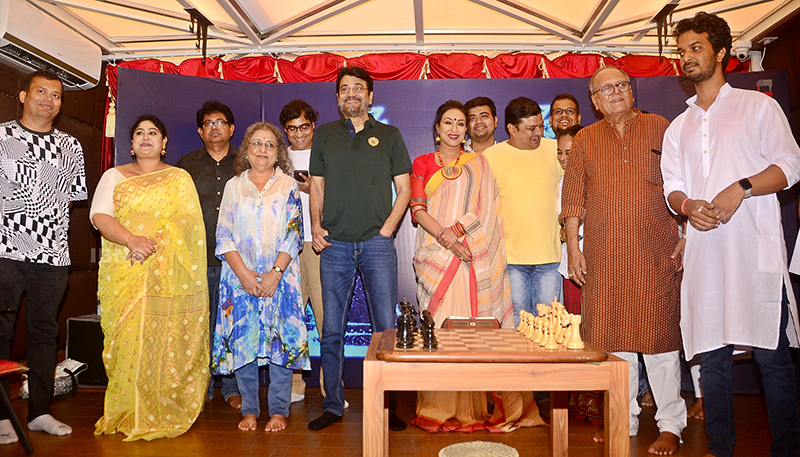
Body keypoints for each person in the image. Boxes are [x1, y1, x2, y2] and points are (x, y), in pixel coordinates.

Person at [662, 12, 800, 457]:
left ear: (721, 52)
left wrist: (742, 187)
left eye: (696, 48)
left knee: (772, 358)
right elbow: (671, 187)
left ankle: (787, 449)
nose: (687, 57)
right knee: (713, 360)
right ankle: (720, 449)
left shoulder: (758, 107)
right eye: (681, 51)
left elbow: (790, 166)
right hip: (705, 256)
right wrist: (687, 206)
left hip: (754, 252)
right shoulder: (678, 126)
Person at [561, 66, 686, 455]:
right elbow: (573, 200)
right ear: (594, 101)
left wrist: (686, 235)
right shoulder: (585, 139)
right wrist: (574, 248)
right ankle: (623, 418)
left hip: (656, 253)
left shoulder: (660, 127)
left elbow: (683, 184)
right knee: (614, 341)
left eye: (621, 85)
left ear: (631, 91)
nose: (616, 92)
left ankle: (671, 425)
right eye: (606, 89)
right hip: (604, 256)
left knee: (660, 339)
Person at [410, 100, 541, 432]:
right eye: (448, 122)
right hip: (436, 254)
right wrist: (447, 239)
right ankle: (439, 407)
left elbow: (484, 209)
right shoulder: (423, 163)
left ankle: (473, 409)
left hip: (471, 255)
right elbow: (418, 209)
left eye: (460, 123)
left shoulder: (479, 163)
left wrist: (459, 235)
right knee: (440, 328)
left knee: (470, 332)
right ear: (437, 128)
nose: (454, 129)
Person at [307, 66, 412, 432]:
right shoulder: (324, 135)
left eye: (358, 88)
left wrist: (387, 230)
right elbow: (316, 186)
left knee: (385, 329)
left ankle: (387, 406)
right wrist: (316, 226)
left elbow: (405, 189)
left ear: (370, 96)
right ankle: (333, 405)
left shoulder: (390, 135)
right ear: (338, 97)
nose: (351, 93)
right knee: (331, 330)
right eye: (344, 89)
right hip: (334, 245)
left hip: (376, 244)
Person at [92, 114, 208, 441]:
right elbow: (99, 216)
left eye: (153, 132)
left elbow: (189, 223)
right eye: (139, 133)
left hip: (167, 273)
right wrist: (131, 240)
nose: (146, 138)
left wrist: (154, 242)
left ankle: (159, 407)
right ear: (131, 143)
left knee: (164, 339)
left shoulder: (179, 178)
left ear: (164, 142)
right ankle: (127, 409)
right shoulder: (114, 176)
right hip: (124, 269)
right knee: (125, 341)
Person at [0, 69, 86, 444]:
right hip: (4, 252)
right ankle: (1, 416)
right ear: (23, 96)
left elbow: (72, 198)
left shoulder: (71, 146)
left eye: (56, 95)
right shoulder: (2, 137)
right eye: (41, 92)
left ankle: (39, 411)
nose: (49, 100)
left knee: (44, 334)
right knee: (1, 332)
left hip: (52, 256)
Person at [212, 122, 310, 432]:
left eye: (270, 144)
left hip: (280, 277)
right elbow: (223, 234)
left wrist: (275, 274)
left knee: (281, 341)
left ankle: (279, 410)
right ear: (246, 149)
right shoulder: (234, 186)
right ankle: (250, 410)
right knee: (244, 342)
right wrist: (243, 275)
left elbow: (294, 234)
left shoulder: (288, 186)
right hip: (239, 278)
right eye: (256, 143)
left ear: (278, 152)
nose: (263, 149)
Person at [176, 100, 241, 410]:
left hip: (235, 261)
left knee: (231, 324)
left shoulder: (245, 163)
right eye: (208, 123)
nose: (215, 128)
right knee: (199, 325)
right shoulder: (186, 165)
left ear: (231, 128)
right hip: (196, 259)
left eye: (221, 122)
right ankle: (200, 386)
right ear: (201, 131)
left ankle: (231, 387)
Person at [484, 97, 563, 327]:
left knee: (550, 325)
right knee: (516, 324)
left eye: (541, 126)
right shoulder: (491, 157)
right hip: (510, 260)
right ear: (512, 129)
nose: (539, 133)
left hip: (550, 257)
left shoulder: (555, 149)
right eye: (531, 128)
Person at [279, 99, 326, 405]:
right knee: (291, 317)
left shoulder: (327, 153)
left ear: (313, 125)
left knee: (326, 317)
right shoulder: (277, 157)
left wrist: (314, 190)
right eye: (292, 128)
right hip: (287, 245)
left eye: (304, 127)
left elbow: (346, 197)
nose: (299, 134)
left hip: (320, 243)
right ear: (285, 130)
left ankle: (330, 386)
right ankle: (294, 384)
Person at [556, 125, 583, 315]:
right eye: (559, 152)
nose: (562, 157)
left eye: (568, 152)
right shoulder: (561, 182)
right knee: (573, 319)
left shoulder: (598, 180)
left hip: (596, 261)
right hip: (570, 261)